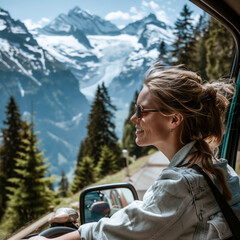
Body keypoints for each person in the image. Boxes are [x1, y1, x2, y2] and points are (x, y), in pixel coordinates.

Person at [29, 64, 240, 240]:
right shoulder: (216, 167)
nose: (133, 118)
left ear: (174, 119)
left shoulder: (181, 185)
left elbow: (115, 233)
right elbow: (146, 216)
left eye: (141, 110)